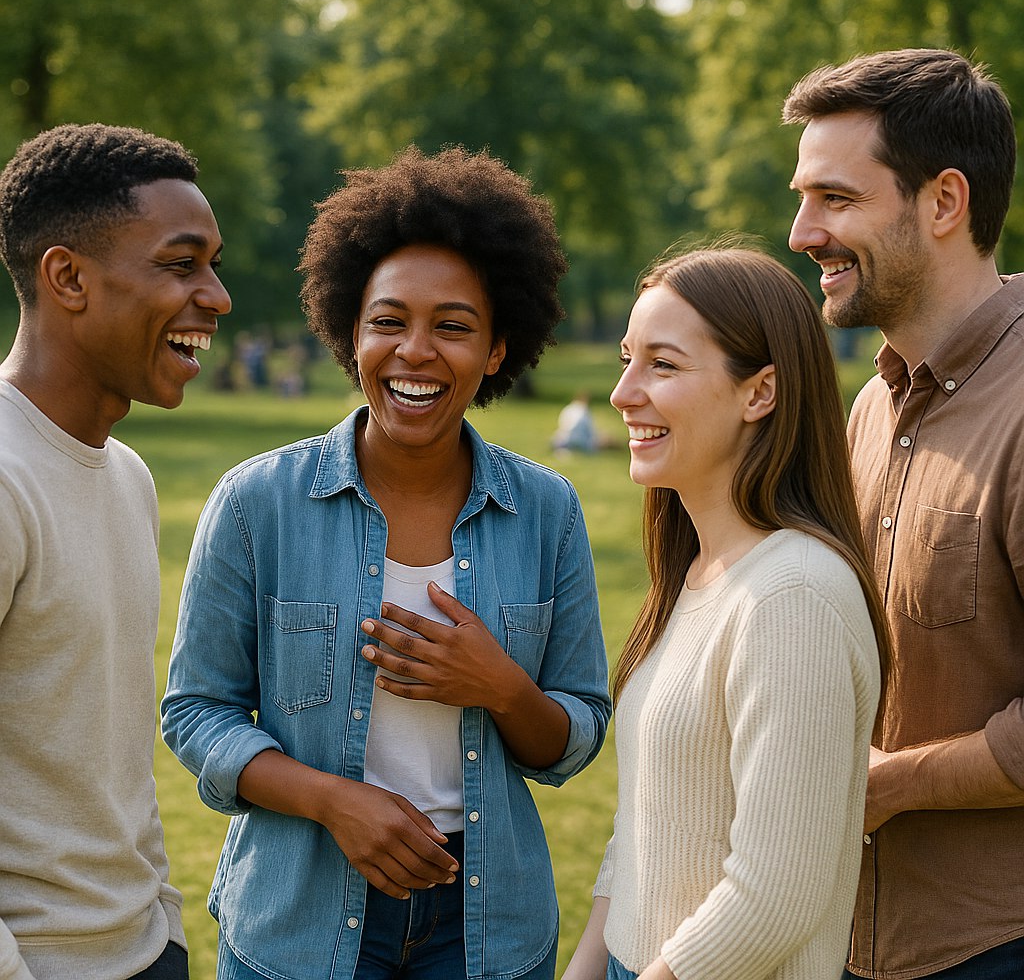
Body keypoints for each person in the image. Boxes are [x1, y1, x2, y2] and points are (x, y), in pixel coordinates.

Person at [161, 146, 611, 980]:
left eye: (452, 326)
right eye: (389, 321)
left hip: (484, 929)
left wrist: (501, 686)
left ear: (498, 349)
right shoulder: (257, 503)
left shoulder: (546, 512)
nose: (415, 352)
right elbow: (196, 712)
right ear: (350, 331)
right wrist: (336, 803)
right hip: (297, 921)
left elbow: (575, 735)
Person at [563, 247, 888, 980]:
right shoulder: (698, 573)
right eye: (626, 359)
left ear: (760, 392)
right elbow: (645, 829)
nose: (622, 393)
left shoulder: (794, 596)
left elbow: (773, 896)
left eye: (663, 365)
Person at [785, 48, 1024, 980]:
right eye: (803, 197)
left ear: (943, 202)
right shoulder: (870, 407)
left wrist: (889, 786)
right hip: (855, 936)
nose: (802, 231)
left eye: (835, 199)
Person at [0, 123, 230, 979]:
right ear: (67, 277)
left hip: (143, 948)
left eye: (212, 264)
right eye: (181, 264)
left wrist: (163, 929)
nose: (216, 295)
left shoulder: (127, 476)